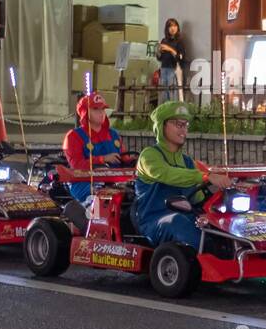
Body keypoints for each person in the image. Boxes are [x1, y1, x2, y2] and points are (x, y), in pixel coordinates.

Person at [134, 100, 231, 247]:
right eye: (178, 124)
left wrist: (220, 198)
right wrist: (206, 176)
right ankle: (207, 254)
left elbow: (196, 196)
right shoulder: (149, 156)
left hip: (187, 217)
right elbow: (168, 174)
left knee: (222, 220)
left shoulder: (187, 161)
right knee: (178, 222)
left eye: (185, 125)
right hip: (154, 220)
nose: (183, 130)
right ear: (162, 125)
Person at [62, 92, 127, 201]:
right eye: (96, 109)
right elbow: (77, 165)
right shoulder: (74, 136)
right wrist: (102, 159)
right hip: (84, 183)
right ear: (85, 112)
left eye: (102, 109)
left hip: (114, 182)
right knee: (100, 197)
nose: (101, 113)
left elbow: (125, 159)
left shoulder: (114, 134)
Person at [157, 18, 186, 103]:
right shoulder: (164, 40)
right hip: (164, 68)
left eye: (175, 26)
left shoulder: (179, 41)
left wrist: (170, 49)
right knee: (164, 93)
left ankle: (174, 112)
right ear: (167, 29)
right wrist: (158, 52)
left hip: (174, 69)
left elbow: (181, 57)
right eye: (170, 26)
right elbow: (160, 58)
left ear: (177, 28)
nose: (173, 28)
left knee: (173, 93)